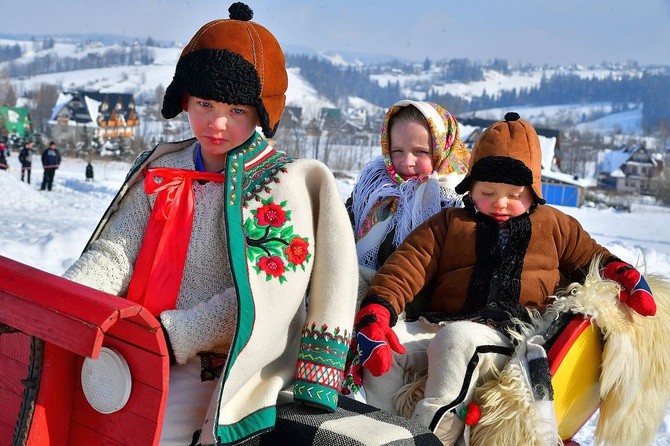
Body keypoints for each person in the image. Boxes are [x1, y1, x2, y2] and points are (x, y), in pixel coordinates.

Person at [62, 3, 358, 445]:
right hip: (138, 341)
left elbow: (265, 296)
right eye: (204, 104)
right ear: (184, 101)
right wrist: (70, 303)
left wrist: (176, 331)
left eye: (237, 110)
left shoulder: (279, 184)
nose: (217, 123)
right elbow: (116, 252)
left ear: (261, 113)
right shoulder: (166, 167)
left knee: (150, 430)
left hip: (221, 360)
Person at [352, 112, 656, 444]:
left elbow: (592, 258)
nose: (500, 202)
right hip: (440, 324)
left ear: (533, 190)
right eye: (487, 191)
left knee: (458, 341)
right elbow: (406, 267)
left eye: (514, 194)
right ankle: (386, 434)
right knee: (390, 350)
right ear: (471, 188)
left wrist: (624, 275)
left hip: (512, 337)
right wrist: (378, 312)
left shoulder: (555, 226)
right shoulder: (449, 224)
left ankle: (430, 437)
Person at [345, 100, 470, 308]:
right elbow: (345, 228)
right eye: (397, 151)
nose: (407, 162)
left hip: (421, 311)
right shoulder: (373, 186)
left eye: (421, 151)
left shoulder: (457, 199)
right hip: (363, 299)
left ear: (442, 148)